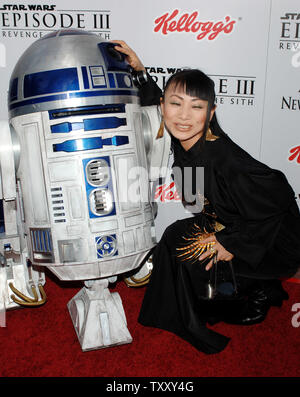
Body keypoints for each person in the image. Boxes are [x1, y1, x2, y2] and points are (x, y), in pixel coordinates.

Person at [113, 41, 300, 354]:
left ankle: (257, 289)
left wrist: (230, 243)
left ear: (210, 113)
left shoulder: (225, 160)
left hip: (274, 242)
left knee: (195, 254)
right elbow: (157, 100)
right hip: (235, 224)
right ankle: (179, 312)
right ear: (164, 106)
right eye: (176, 105)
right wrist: (141, 72)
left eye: (196, 107)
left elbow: (280, 197)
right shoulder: (183, 139)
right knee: (174, 236)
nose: (184, 116)